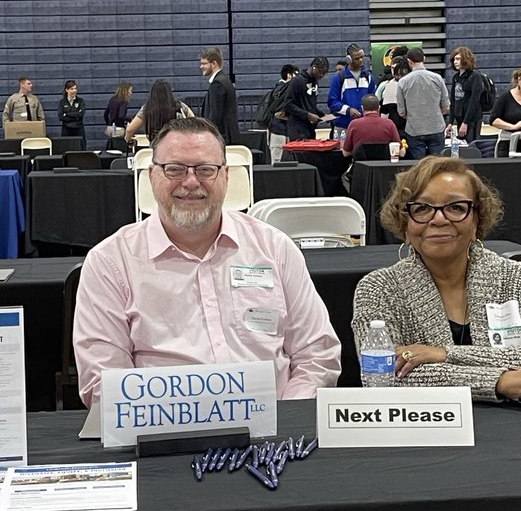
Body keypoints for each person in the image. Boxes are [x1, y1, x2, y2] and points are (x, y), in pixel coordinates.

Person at [72, 117, 342, 407]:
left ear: (225, 176)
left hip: (273, 442)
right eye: (174, 169)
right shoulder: (110, 263)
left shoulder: (275, 249)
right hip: (161, 439)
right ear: (151, 176)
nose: (190, 182)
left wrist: (285, 419)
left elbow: (316, 355)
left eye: (205, 170)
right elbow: (103, 381)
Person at [351, 156, 521, 401]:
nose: (439, 219)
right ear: (404, 223)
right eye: (422, 209)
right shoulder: (377, 290)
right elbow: (384, 378)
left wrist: (443, 355)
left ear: (477, 220)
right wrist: (498, 381)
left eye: (456, 208)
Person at [396, 47, 450, 159]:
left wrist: (413, 116)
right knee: (437, 164)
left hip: (414, 129)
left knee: (418, 166)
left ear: (409, 62)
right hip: (436, 127)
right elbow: (445, 107)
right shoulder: (437, 78)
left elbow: (401, 112)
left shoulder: (402, 82)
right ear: (424, 59)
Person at [124, 80, 195, 145]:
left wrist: (128, 139)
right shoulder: (180, 106)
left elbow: (130, 130)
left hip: (156, 147)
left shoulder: (147, 108)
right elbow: (194, 122)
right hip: (176, 145)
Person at [326, 43, 376, 135]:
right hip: (343, 126)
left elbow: (372, 100)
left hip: (364, 126)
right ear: (349, 59)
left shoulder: (368, 77)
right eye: (357, 58)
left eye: (361, 57)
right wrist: (348, 110)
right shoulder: (338, 78)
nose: (360, 60)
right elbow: (332, 102)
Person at [279, 56, 330, 142]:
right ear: (314, 67)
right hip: (297, 128)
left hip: (310, 128)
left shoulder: (315, 81)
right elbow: (287, 104)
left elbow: (309, 104)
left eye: (324, 73)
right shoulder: (297, 81)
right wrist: (307, 115)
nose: (321, 75)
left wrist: (322, 115)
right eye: (320, 72)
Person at [199, 47, 241, 145]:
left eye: (204, 63)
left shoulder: (218, 84)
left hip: (222, 139)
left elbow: (215, 116)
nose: (201, 67)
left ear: (214, 64)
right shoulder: (223, 80)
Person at [342, 95, 402, 160]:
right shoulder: (389, 124)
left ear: (362, 108)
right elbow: (400, 152)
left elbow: (345, 153)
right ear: (379, 108)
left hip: (360, 168)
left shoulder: (354, 124)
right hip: (384, 168)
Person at [447, 46, 484, 144]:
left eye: (458, 59)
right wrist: (450, 122)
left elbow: (474, 101)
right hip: (460, 117)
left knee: (471, 145)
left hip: (472, 119)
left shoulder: (475, 76)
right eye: (454, 59)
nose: (455, 62)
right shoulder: (456, 77)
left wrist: (465, 122)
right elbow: (453, 101)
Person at [266, 64, 299, 164]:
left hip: (281, 129)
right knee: (276, 160)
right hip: (278, 129)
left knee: (278, 160)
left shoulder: (277, 90)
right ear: (289, 75)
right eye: (296, 75)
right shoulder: (282, 90)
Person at [376, 58, 409, 137]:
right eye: (398, 75)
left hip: (410, 126)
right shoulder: (387, 85)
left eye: (404, 75)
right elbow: (383, 109)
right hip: (394, 126)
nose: (401, 78)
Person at [58, 80, 87, 149]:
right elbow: (61, 117)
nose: (74, 91)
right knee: (66, 149)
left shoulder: (80, 101)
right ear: (67, 90)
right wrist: (75, 116)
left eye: (75, 88)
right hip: (66, 130)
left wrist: (67, 114)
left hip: (79, 129)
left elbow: (81, 114)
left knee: (81, 150)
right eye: (72, 89)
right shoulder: (62, 102)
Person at [103, 82, 133, 147]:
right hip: (119, 129)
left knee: (111, 146)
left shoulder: (112, 99)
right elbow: (121, 116)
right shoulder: (123, 101)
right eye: (130, 90)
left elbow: (105, 114)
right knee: (120, 148)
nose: (131, 93)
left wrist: (108, 123)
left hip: (110, 128)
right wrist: (130, 119)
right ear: (126, 91)